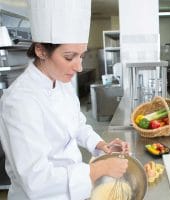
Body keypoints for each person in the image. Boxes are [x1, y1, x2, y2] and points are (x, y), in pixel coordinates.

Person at [0, 0, 129, 199]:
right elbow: (36, 181)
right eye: (69, 57)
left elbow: (77, 125)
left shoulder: (61, 83)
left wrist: (101, 145)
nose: (78, 67)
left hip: (75, 190)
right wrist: (98, 169)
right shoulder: (19, 102)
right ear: (41, 50)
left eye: (82, 56)